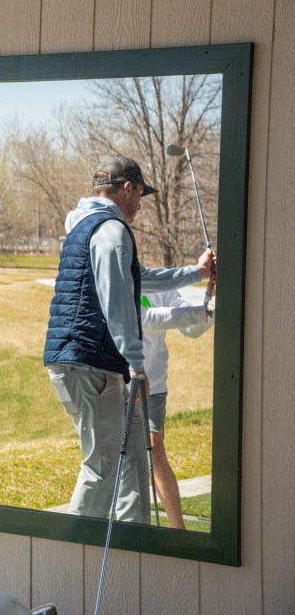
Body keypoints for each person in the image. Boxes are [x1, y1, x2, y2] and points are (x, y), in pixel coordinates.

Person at [43, 156, 214, 524]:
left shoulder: (88, 227)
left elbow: (139, 276)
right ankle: (77, 552)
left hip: (84, 362)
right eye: (139, 194)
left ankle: (134, 545)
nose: (139, 204)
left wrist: (195, 274)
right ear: (126, 189)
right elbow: (117, 301)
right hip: (89, 362)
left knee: (136, 454)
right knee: (103, 463)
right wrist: (136, 364)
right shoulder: (111, 230)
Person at [140, 278, 215, 529]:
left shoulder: (160, 283)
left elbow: (192, 327)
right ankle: (128, 523)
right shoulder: (113, 277)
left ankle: (177, 531)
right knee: (120, 454)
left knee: (155, 448)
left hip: (154, 384)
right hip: (116, 381)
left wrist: (213, 298)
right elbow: (145, 319)